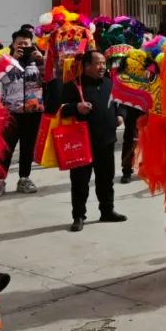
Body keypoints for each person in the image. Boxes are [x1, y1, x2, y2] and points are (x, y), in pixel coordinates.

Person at [59, 51, 125, 232]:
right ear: (87, 66)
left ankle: (107, 210)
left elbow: (119, 103)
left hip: (107, 140)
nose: (102, 67)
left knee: (106, 179)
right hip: (82, 142)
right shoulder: (74, 85)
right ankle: (79, 216)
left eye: (104, 63)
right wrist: (76, 107)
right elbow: (59, 109)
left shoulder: (109, 83)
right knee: (80, 182)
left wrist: (120, 115)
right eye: (98, 63)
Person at [0, 28, 44, 197]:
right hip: (10, 112)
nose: (23, 46)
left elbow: (50, 78)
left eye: (26, 43)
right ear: (13, 44)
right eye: (19, 43)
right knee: (5, 148)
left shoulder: (38, 60)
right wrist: (12, 60)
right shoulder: (4, 60)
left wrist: (42, 60)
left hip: (33, 111)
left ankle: (24, 178)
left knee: (28, 147)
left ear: (32, 44)